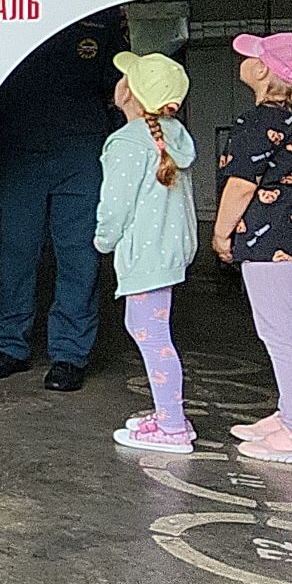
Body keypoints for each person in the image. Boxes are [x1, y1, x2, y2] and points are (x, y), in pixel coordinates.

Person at [0, 14, 124, 391]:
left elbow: (122, 89)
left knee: (79, 258)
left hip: (82, 152)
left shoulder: (101, 21)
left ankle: (69, 355)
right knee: (15, 255)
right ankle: (11, 346)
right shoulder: (16, 13)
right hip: (18, 153)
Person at [216, 33, 292, 466]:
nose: (244, 60)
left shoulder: (257, 121)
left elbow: (242, 184)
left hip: (272, 240)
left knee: (281, 336)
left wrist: (221, 232)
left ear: (264, 70)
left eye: (251, 56)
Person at [97, 54, 199, 453]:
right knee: (150, 330)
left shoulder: (127, 142)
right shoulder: (173, 135)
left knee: (152, 334)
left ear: (130, 93)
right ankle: (166, 414)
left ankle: (172, 426)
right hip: (170, 249)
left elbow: (116, 204)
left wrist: (104, 239)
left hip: (146, 254)